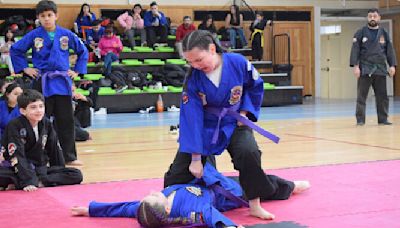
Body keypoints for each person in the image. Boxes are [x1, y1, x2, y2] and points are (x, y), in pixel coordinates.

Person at [163, 30, 289, 220]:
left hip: (234, 122)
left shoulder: (237, 63)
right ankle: (170, 201)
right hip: (206, 126)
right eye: (190, 62)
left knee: (249, 153)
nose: (195, 66)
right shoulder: (193, 79)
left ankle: (255, 204)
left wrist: (244, 112)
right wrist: (196, 158)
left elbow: (254, 85)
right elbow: (191, 117)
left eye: (199, 60)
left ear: (212, 49)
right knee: (179, 172)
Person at [71, 162, 310, 227]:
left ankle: (289, 185)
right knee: (265, 184)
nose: (153, 192)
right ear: (165, 209)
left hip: (209, 181)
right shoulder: (190, 208)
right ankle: (292, 187)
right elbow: (209, 213)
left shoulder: (146, 209)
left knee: (261, 179)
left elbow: (122, 208)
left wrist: (92, 209)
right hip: (230, 193)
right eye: (155, 196)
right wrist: (228, 226)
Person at [10, 0, 89, 166]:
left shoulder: (66, 34)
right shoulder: (34, 35)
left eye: (49, 15)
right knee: (40, 120)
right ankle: (40, 158)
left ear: (56, 16)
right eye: (43, 16)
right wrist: (25, 68)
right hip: (42, 80)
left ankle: (69, 156)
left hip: (61, 81)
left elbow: (83, 51)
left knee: (66, 119)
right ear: (38, 17)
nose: (46, 19)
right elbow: (16, 49)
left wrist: (77, 71)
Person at [0, 89, 83, 191]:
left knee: (76, 174)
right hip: (16, 168)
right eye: (33, 107)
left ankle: (28, 182)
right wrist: (28, 181)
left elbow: (54, 149)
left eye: (41, 106)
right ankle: (29, 181)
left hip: (39, 168)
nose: (39, 110)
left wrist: (59, 170)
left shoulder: (46, 124)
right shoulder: (14, 125)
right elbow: (17, 156)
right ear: (23, 111)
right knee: (3, 175)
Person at [350, 8, 397, 126]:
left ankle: (383, 119)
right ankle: (360, 120)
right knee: (362, 96)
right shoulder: (360, 32)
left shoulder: (384, 33)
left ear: (379, 18)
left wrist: (392, 65)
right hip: (365, 68)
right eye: (370, 16)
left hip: (380, 69)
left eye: (375, 16)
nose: (372, 18)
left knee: (382, 96)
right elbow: (355, 50)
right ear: (367, 18)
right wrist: (356, 66)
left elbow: (390, 51)